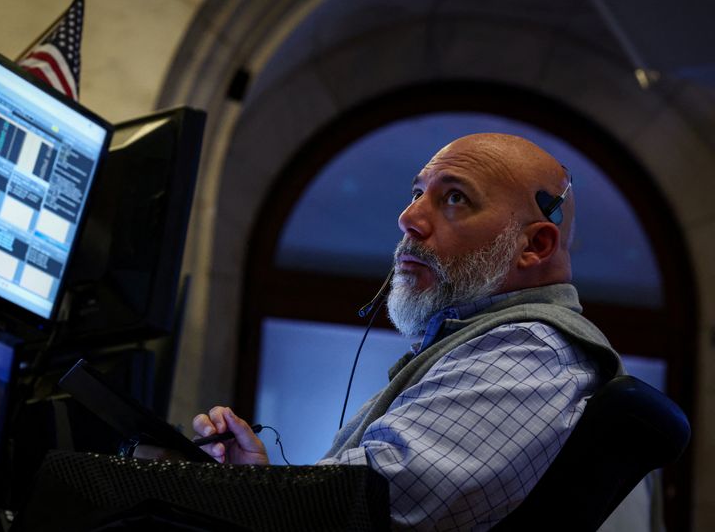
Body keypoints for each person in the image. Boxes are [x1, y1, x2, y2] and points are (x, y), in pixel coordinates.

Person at [142, 133, 642, 530]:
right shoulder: (486, 347)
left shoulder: (530, 352)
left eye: (455, 198)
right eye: (417, 193)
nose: (408, 219)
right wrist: (258, 484)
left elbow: (370, 506)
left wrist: (220, 494)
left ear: (534, 245)